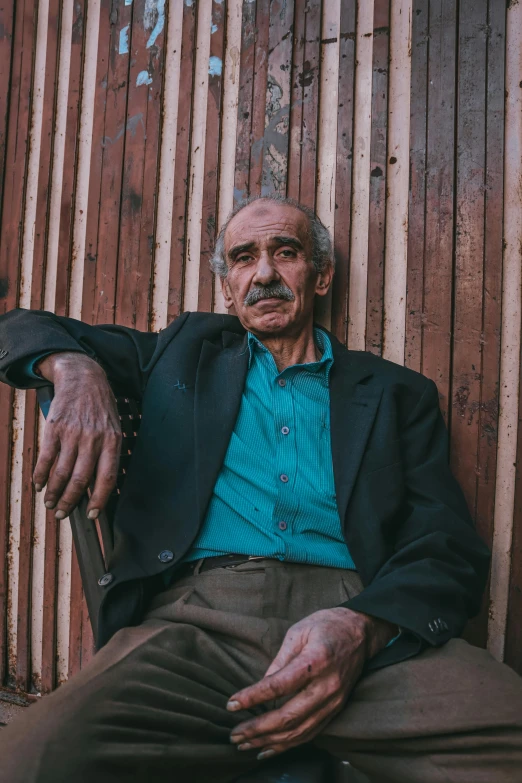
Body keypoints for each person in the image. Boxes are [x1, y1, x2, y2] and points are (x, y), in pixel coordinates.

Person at [0, 195, 520, 783]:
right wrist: (74, 369)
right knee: (30, 761)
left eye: (286, 252)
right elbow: (19, 326)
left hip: (361, 629)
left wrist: (364, 627)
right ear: (228, 289)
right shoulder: (182, 354)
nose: (265, 272)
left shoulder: (397, 393)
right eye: (244, 257)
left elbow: (445, 540)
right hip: (199, 629)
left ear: (321, 276)